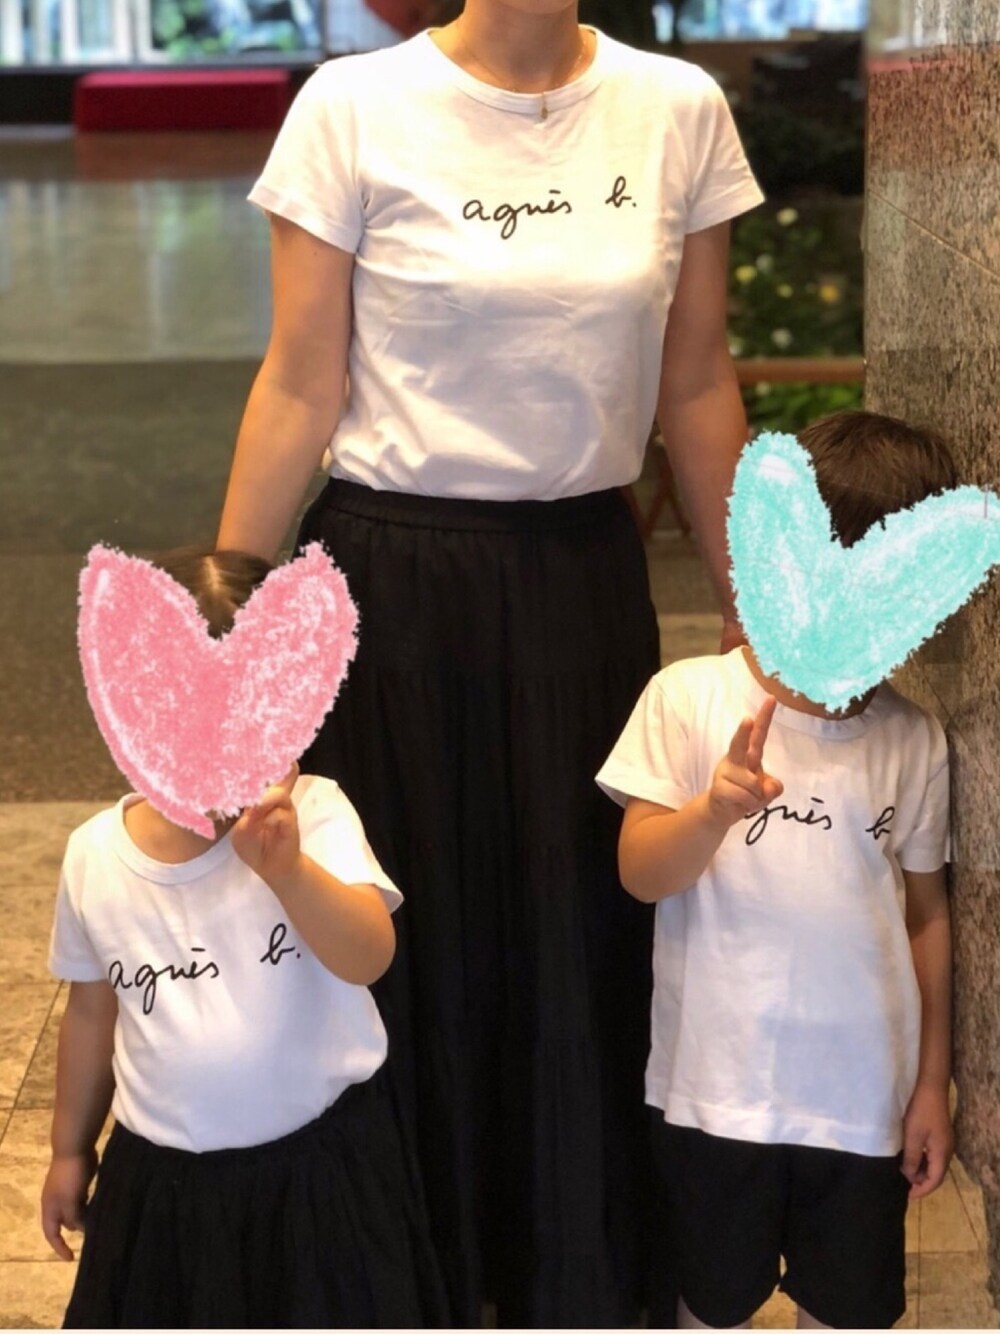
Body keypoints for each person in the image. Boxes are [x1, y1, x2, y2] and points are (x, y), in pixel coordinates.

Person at [215, 0, 763, 1322]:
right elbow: (299, 379)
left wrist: (762, 610)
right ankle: (399, 1281)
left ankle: (570, 1274)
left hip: (582, 584)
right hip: (390, 586)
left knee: (578, 930)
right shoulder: (354, 106)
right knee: (402, 935)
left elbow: (695, 382)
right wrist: (227, 610)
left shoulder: (675, 108)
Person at [596, 410, 956, 1330]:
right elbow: (639, 872)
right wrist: (712, 811)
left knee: (852, 1308)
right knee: (711, 1302)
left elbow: (926, 914)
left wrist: (930, 1085)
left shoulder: (912, 739)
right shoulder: (689, 698)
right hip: (715, 1094)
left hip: (861, 1102)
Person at [40, 548, 447, 1330]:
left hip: (321, 1171)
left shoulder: (317, 817)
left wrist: (290, 874)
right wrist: (69, 1149)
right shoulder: (95, 855)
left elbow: (369, 956)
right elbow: (91, 1013)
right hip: (162, 1179)